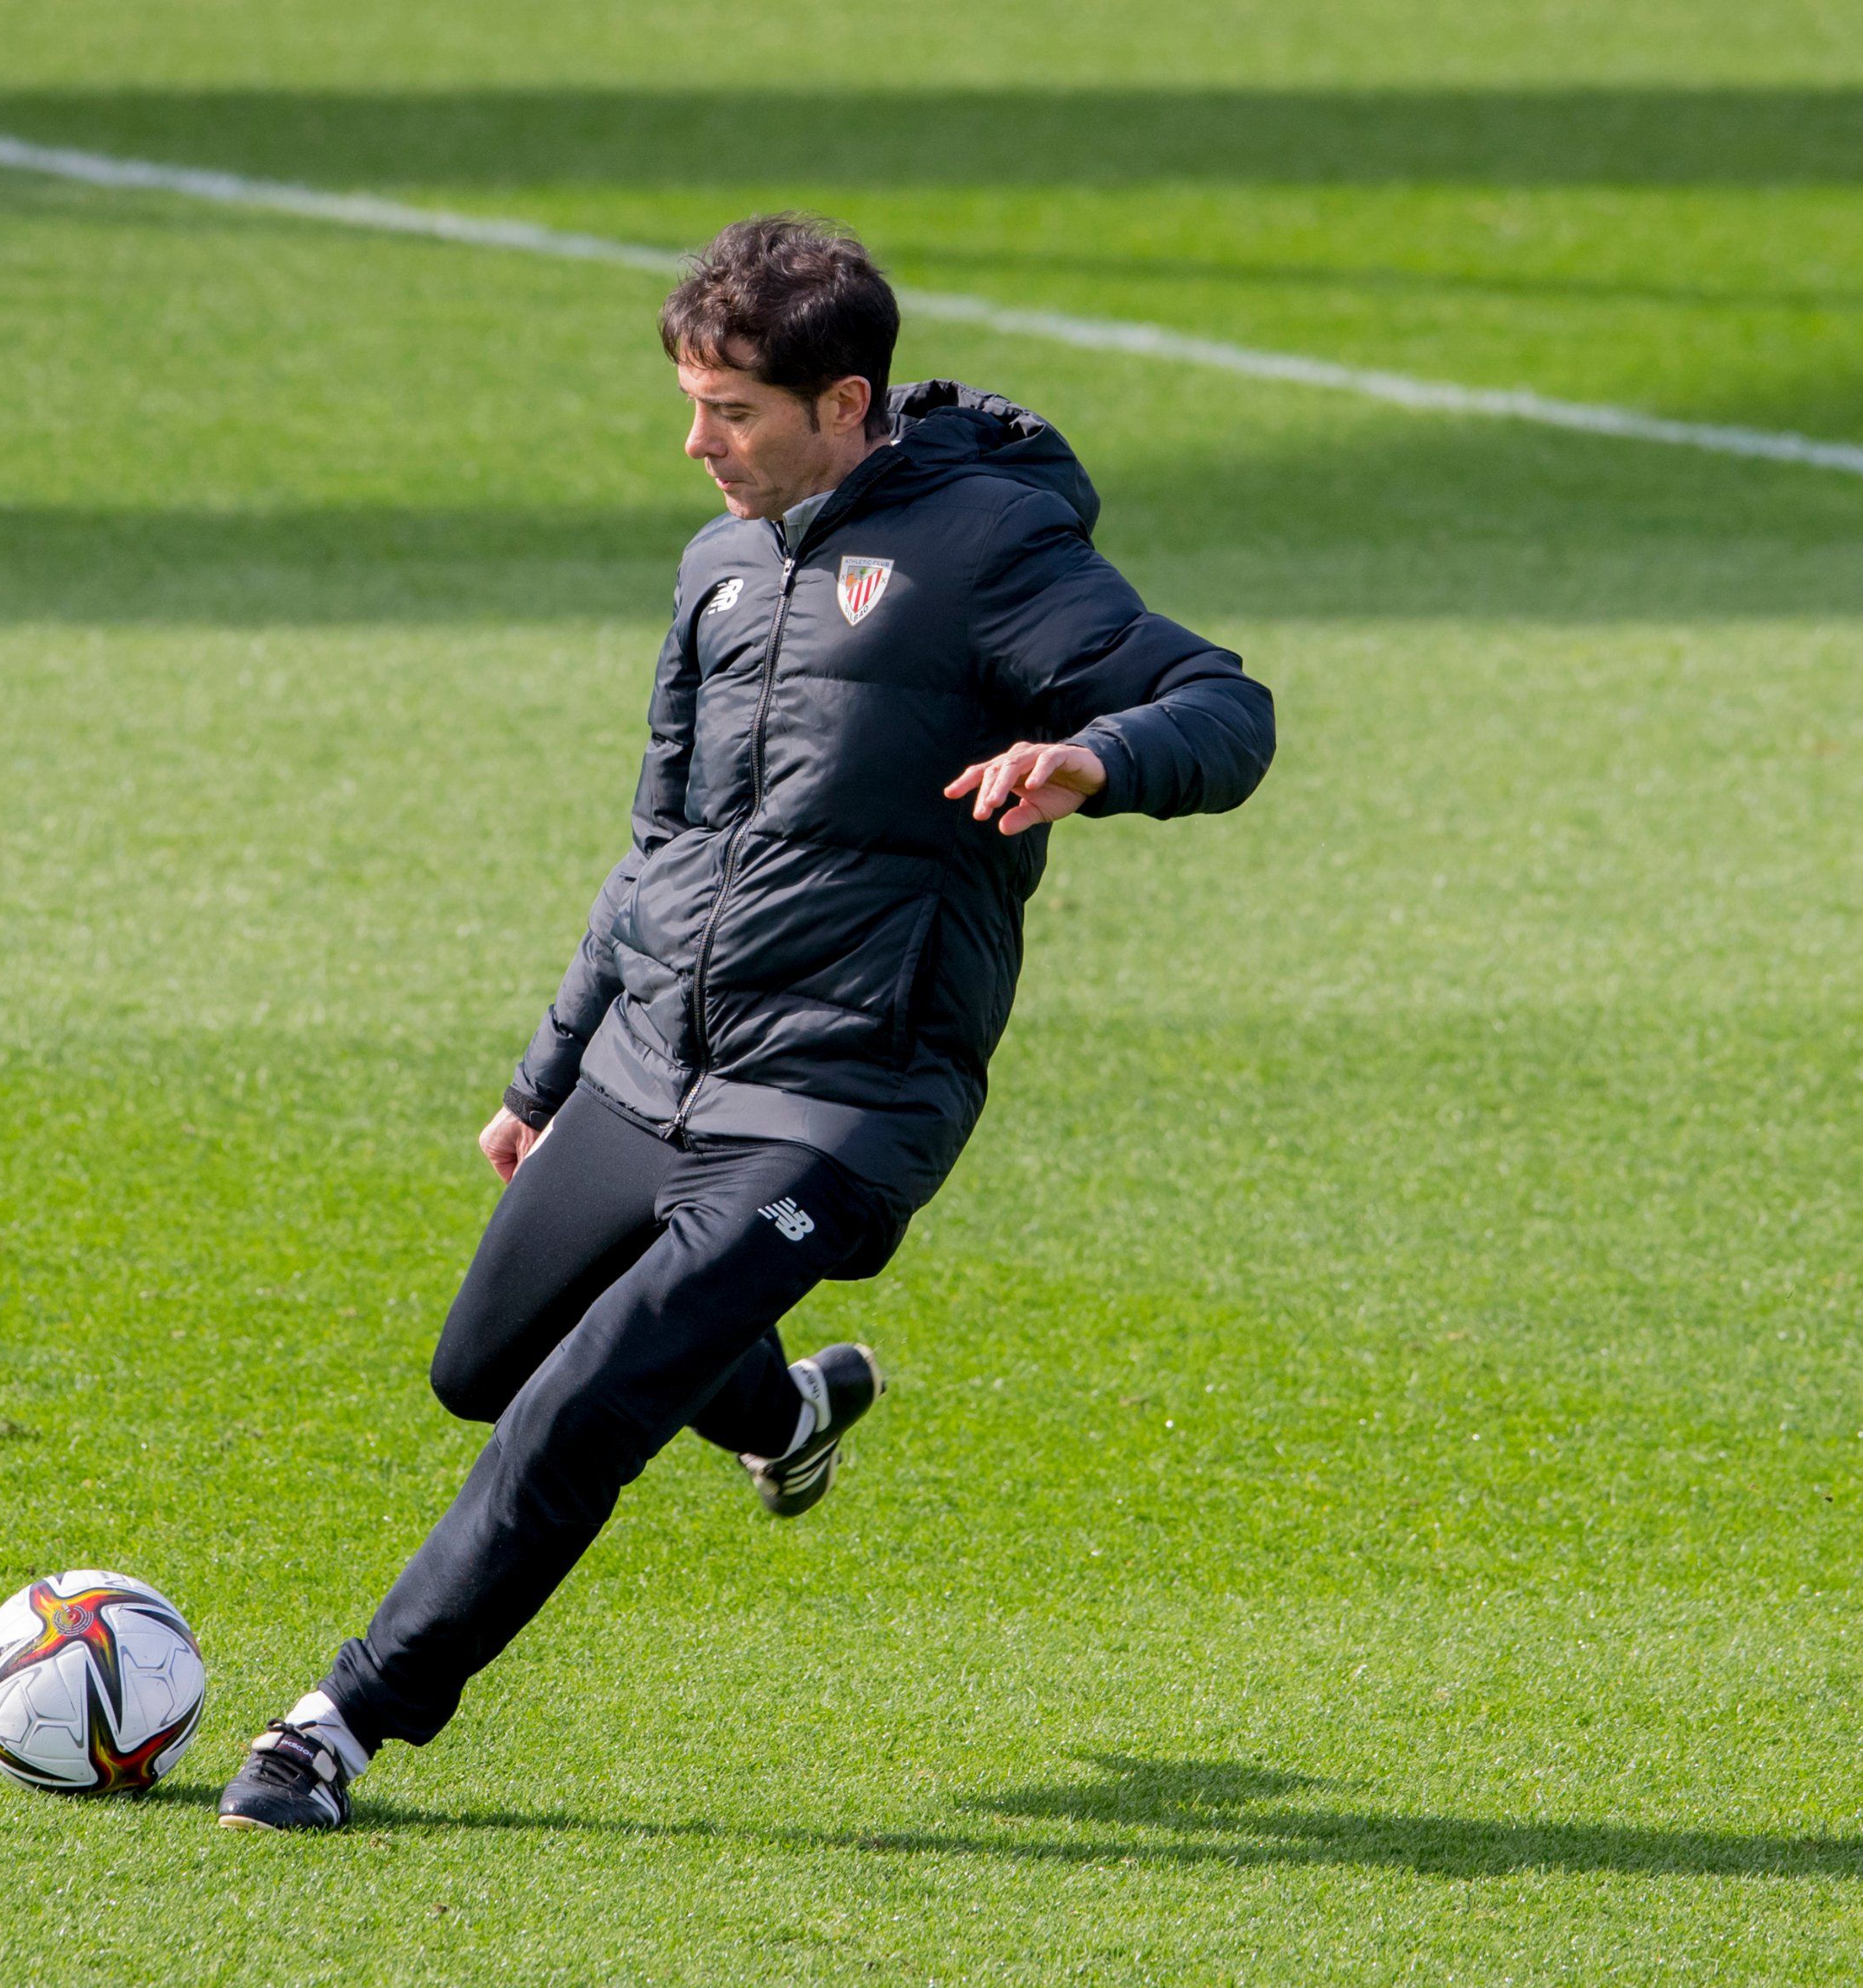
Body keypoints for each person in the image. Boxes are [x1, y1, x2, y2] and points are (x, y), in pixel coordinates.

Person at [216, 214, 1275, 1831]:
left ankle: (337, 1726)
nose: (697, 442)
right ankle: (784, 1408)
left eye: (734, 413)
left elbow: (1223, 703)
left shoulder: (990, 548)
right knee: (487, 1367)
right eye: (692, 402)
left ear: (845, 405)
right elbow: (661, 841)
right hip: (656, 1064)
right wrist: (551, 1072)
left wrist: (1094, 760)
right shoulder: (717, 569)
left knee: (592, 1403)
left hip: (843, 1096)